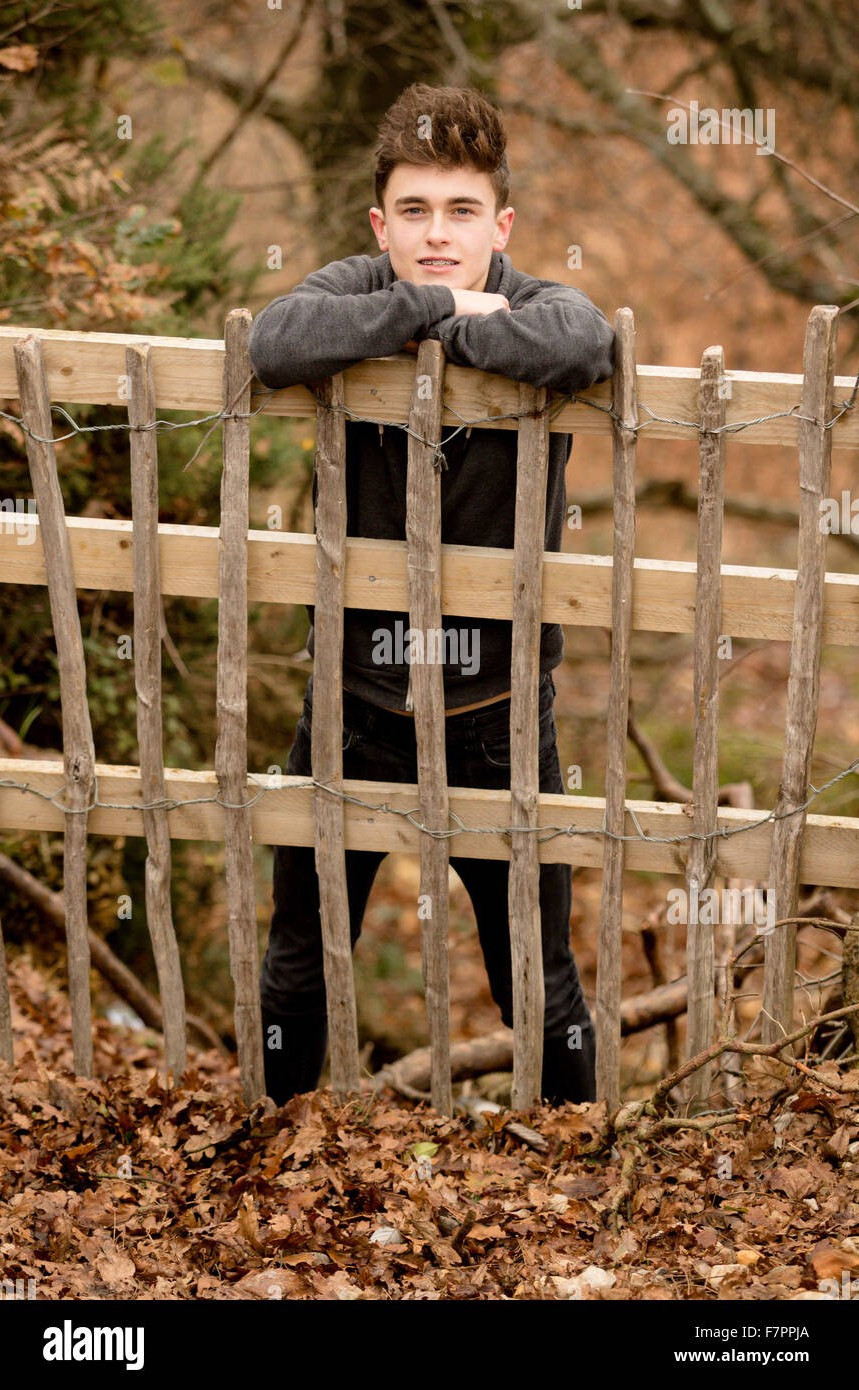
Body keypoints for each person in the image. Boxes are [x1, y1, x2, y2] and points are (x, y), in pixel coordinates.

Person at [248, 82, 615, 1108]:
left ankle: (582, 1161)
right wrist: (437, 308)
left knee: (536, 980)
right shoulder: (355, 286)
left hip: (494, 715)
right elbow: (273, 342)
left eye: (460, 214)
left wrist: (447, 331)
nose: (436, 235)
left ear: (500, 225)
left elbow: (585, 346)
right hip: (350, 708)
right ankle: (271, 1147)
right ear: (380, 223)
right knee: (298, 957)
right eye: (413, 213)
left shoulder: (543, 302)